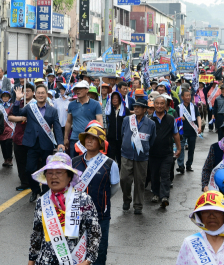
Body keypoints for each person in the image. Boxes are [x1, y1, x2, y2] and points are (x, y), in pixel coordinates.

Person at [28, 152, 102, 265]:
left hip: (75, 261)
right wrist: (31, 260)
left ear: (69, 177)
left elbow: (94, 233)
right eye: (50, 173)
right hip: (45, 261)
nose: (53, 177)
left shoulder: (83, 200)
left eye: (59, 173)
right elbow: (36, 234)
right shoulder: (42, 201)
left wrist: (88, 261)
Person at [72, 125, 119, 265]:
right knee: (76, 253)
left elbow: (114, 187)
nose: (89, 141)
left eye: (94, 139)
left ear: (100, 143)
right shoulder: (74, 162)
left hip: (100, 215)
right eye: (87, 138)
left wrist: (102, 200)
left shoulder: (110, 164)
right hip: (76, 215)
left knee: (99, 253)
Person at [13, 85, 66, 203]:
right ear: (35, 95)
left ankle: (45, 194)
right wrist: (17, 100)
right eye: (39, 93)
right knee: (29, 169)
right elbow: (16, 112)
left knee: (47, 171)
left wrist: (60, 143)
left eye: (43, 93)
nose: (41, 95)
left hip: (46, 144)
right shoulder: (30, 107)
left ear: (46, 94)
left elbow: (57, 127)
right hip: (32, 144)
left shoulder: (53, 110)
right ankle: (35, 189)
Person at [176, 191, 224, 264]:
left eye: (217, 211)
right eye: (206, 212)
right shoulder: (189, 244)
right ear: (200, 216)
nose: (211, 216)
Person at [119, 97, 156, 215]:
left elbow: (152, 139)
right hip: (127, 155)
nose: (136, 108)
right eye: (134, 106)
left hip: (142, 157)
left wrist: (145, 149)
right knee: (124, 179)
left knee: (140, 182)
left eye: (138, 107)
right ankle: (126, 199)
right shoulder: (127, 120)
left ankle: (138, 205)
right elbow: (122, 134)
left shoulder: (151, 124)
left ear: (145, 109)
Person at [150, 95, 182, 208]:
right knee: (154, 174)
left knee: (165, 174)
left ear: (165, 105)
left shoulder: (171, 119)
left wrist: (179, 148)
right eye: (157, 103)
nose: (159, 106)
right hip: (152, 153)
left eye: (161, 103)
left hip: (167, 153)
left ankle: (164, 196)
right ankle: (155, 193)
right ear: (154, 105)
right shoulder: (149, 119)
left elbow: (175, 133)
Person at [65, 80, 103, 157]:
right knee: (74, 163)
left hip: (90, 139)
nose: (77, 91)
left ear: (87, 90)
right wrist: (66, 138)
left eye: (80, 88)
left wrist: (100, 137)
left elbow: (99, 121)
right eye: (76, 89)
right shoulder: (71, 105)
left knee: (89, 162)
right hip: (75, 138)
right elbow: (69, 122)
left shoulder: (96, 104)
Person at [10, 84, 34, 191]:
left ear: (33, 92)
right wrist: (21, 118)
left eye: (29, 90)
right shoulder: (18, 103)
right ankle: (24, 182)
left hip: (33, 138)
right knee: (20, 161)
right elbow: (10, 116)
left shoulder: (37, 103)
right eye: (25, 91)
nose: (27, 93)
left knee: (32, 162)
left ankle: (33, 181)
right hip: (19, 136)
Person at [176, 89, 201, 174]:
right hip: (182, 131)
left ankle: (189, 165)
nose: (188, 97)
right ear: (182, 97)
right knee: (181, 148)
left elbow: (198, 117)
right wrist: (179, 118)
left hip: (192, 131)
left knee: (191, 148)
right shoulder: (179, 107)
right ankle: (181, 166)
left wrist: (199, 127)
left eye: (189, 95)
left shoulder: (194, 107)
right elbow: (175, 119)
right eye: (186, 95)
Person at [105, 91, 127, 166]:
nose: (114, 100)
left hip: (122, 140)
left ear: (120, 99)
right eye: (113, 98)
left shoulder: (125, 110)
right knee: (110, 159)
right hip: (111, 139)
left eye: (116, 98)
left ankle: (120, 176)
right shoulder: (108, 110)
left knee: (121, 160)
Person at [0, 90, 15, 168]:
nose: (5, 97)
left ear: (9, 98)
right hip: (1, 128)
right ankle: (5, 159)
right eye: (3, 96)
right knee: (3, 144)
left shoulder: (12, 106)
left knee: (8, 143)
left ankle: (10, 159)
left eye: (6, 96)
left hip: (10, 127)